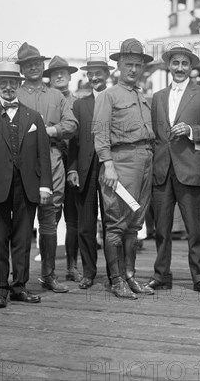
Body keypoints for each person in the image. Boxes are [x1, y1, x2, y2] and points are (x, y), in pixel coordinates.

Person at [0, 62, 52, 309]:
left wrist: (45, 186)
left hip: (27, 186)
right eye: (3, 83)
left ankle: (19, 287)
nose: (8, 87)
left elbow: (43, 154)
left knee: (22, 239)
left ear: (19, 85)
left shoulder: (33, 117)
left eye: (12, 83)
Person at [146, 46, 200, 296]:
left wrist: (191, 130)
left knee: (195, 229)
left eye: (184, 64)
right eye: (175, 63)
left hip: (191, 169)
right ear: (169, 66)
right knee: (161, 229)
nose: (179, 68)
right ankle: (161, 275)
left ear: (191, 68)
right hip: (162, 170)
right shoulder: (157, 97)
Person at [93, 38, 155, 299]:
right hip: (121, 162)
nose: (133, 70)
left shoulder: (142, 96)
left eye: (137, 65)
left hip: (145, 160)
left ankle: (130, 276)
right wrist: (108, 165)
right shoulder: (109, 96)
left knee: (134, 225)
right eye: (128, 64)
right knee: (116, 224)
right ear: (118, 65)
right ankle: (116, 280)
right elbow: (100, 132)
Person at [15, 42, 78, 294]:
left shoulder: (56, 95)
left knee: (50, 220)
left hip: (52, 161)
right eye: (28, 64)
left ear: (43, 66)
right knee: (21, 221)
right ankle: (18, 279)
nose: (34, 67)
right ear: (22, 69)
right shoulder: (16, 94)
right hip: (22, 163)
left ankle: (48, 275)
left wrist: (50, 130)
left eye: (37, 63)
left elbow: (72, 124)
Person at [67, 57, 114, 289]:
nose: (95, 78)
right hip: (85, 170)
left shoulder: (115, 99)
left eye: (99, 73)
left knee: (111, 223)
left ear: (107, 74)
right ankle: (88, 272)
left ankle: (115, 272)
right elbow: (73, 143)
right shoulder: (79, 105)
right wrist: (73, 168)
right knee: (85, 225)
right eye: (91, 74)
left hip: (109, 168)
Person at [43, 56, 82, 283]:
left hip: (74, 163)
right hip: (52, 161)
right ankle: (49, 270)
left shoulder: (79, 102)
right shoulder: (47, 100)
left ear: (69, 76)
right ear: (49, 77)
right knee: (50, 216)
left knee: (73, 218)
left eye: (64, 72)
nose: (60, 76)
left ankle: (72, 266)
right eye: (55, 73)